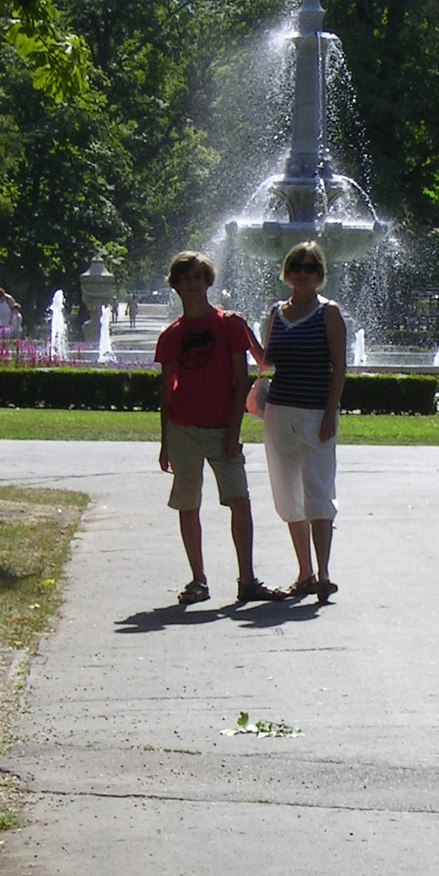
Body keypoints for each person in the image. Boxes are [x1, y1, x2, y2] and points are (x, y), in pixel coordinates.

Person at [155, 250, 285, 606]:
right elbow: (166, 392)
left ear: (207, 282)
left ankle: (247, 580)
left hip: (221, 430)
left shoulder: (229, 324)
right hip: (182, 429)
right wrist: (165, 442)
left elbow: (241, 380)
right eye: (185, 279)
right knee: (188, 505)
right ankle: (198, 580)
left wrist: (232, 431)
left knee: (239, 501)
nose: (192, 285)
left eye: (198, 277)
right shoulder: (170, 336)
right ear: (176, 286)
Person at [260, 240, 347, 602]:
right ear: (286, 272)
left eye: (310, 267)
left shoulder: (329, 312)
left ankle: (324, 572)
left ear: (320, 274)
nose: (302, 273)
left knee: (319, 492)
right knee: (288, 493)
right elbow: (266, 362)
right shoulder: (275, 313)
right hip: (279, 411)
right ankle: (305, 573)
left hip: (315, 414)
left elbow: (339, 367)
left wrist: (330, 413)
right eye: (296, 266)